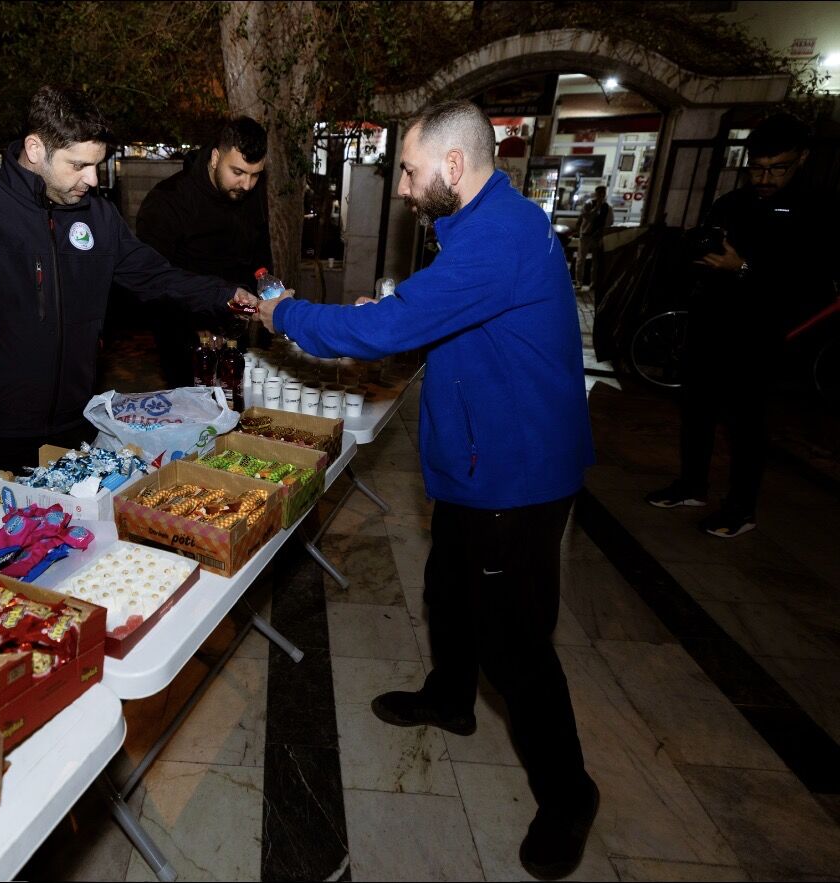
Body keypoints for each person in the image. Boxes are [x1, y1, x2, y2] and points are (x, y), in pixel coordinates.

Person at [257, 100, 598, 881]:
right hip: (480, 467)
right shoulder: (482, 226)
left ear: (452, 166)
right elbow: (438, 318)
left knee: (516, 644)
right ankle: (450, 696)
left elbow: (386, 332)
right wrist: (403, 314)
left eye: (409, 171)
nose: (404, 188)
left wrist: (287, 314)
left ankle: (570, 793)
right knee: (447, 588)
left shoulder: (499, 238)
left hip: (516, 475)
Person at [0, 86, 258, 476]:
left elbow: (155, 275)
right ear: (36, 149)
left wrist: (228, 295)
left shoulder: (97, 217)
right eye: (78, 165)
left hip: (76, 419)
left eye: (97, 164)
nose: (92, 179)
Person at [646, 113, 833, 537]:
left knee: (746, 425)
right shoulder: (734, 203)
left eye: (776, 168)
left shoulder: (814, 211)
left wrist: (744, 267)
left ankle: (741, 507)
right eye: (758, 167)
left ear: (800, 160)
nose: (765, 177)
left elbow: (808, 285)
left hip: (762, 336)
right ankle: (692, 485)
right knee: (697, 411)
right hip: (712, 325)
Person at [136, 116, 272, 387]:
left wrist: (270, 295)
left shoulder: (248, 194)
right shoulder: (167, 201)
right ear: (214, 158)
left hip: (235, 333)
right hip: (183, 341)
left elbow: (259, 254)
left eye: (255, 175)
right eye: (238, 172)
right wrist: (196, 328)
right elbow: (154, 283)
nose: (247, 184)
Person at [574, 185, 611, 289]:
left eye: (603, 193)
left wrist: (603, 233)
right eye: (599, 193)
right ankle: (579, 282)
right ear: (596, 194)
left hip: (598, 236)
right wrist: (596, 208)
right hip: (586, 235)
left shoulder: (607, 207)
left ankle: (593, 283)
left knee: (596, 261)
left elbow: (609, 221)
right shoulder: (589, 204)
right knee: (581, 259)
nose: (601, 195)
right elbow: (586, 217)